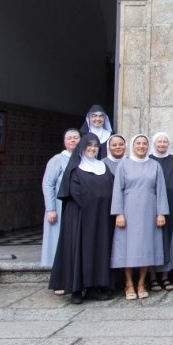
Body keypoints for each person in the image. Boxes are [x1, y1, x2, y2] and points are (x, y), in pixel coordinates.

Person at [49, 133, 115, 303]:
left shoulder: (103, 167)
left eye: (95, 146)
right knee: (78, 250)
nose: (92, 149)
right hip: (80, 216)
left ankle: (94, 287)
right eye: (89, 146)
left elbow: (111, 189)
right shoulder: (75, 169)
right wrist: (97, 201)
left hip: (100, 217)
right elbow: (76, 192)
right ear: (82, 147)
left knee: (97, 251)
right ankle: (76, 290)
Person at [110, 134, 169, 300]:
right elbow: (117, 190)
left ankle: (142, 283)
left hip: (149, 210)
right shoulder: (124, 164)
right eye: (138, 143)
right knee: (127, 248)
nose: (141, 146)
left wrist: (161, 213)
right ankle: (129, 283)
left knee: (146, 247)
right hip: (128, 210)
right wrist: (118, 213)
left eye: (144, 143)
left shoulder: (155, 165)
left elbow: (161, 190)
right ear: (133, 146)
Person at [149, 132, 173, 292]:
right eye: (159, 142)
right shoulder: (148, 159)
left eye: (165, 142)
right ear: (154, 144)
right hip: (150, 206)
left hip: (171, 203)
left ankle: (165, 276)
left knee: (167, 240)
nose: (162, 145)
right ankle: (151, 277)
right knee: (152, 240)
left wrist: (170, 190)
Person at [41, 127, 80, 270]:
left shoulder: (83, 159)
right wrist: (50, 208)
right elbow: (48, 184)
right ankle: (57, 274)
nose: (73, 140)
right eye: (69, 138)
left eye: (75, 137)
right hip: (59, 206)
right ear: (64, 142)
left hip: (76, 206)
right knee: (57, 240)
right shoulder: (57, 160)